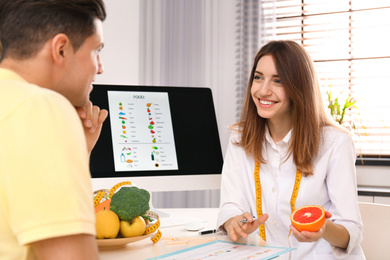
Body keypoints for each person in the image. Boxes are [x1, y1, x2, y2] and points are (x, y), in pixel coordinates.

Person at [217, 40, 365, 259]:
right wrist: (233, 222)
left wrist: (323, 229)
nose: (263, 90)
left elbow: (351, 229)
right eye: (258, 77)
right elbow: (231, 203)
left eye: (278, 81)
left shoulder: (335, 143)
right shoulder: (240, 139)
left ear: (299, 87)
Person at [0, 0, 108, 259]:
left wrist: (78, 152)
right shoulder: (42, 107)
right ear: (60, 49)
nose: (100, 68)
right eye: (96, 51)